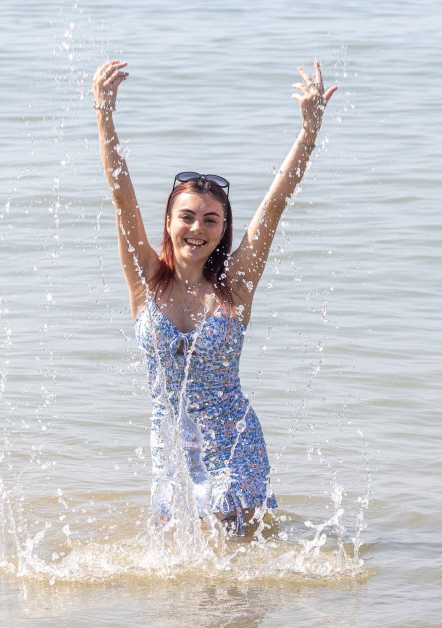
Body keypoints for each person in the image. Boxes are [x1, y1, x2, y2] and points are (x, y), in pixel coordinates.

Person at [92, 59, 337, 535]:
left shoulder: (236, 285)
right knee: (180, 581)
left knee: (227, 550)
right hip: (171, 449)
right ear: (168, 222)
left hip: (235, 444)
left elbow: (276, 201)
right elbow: (120, 194)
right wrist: (104, 114)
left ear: (223, 229)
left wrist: (307, 134)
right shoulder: (144, 279)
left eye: (211, 220)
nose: (197, 228)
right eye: (187, 216)